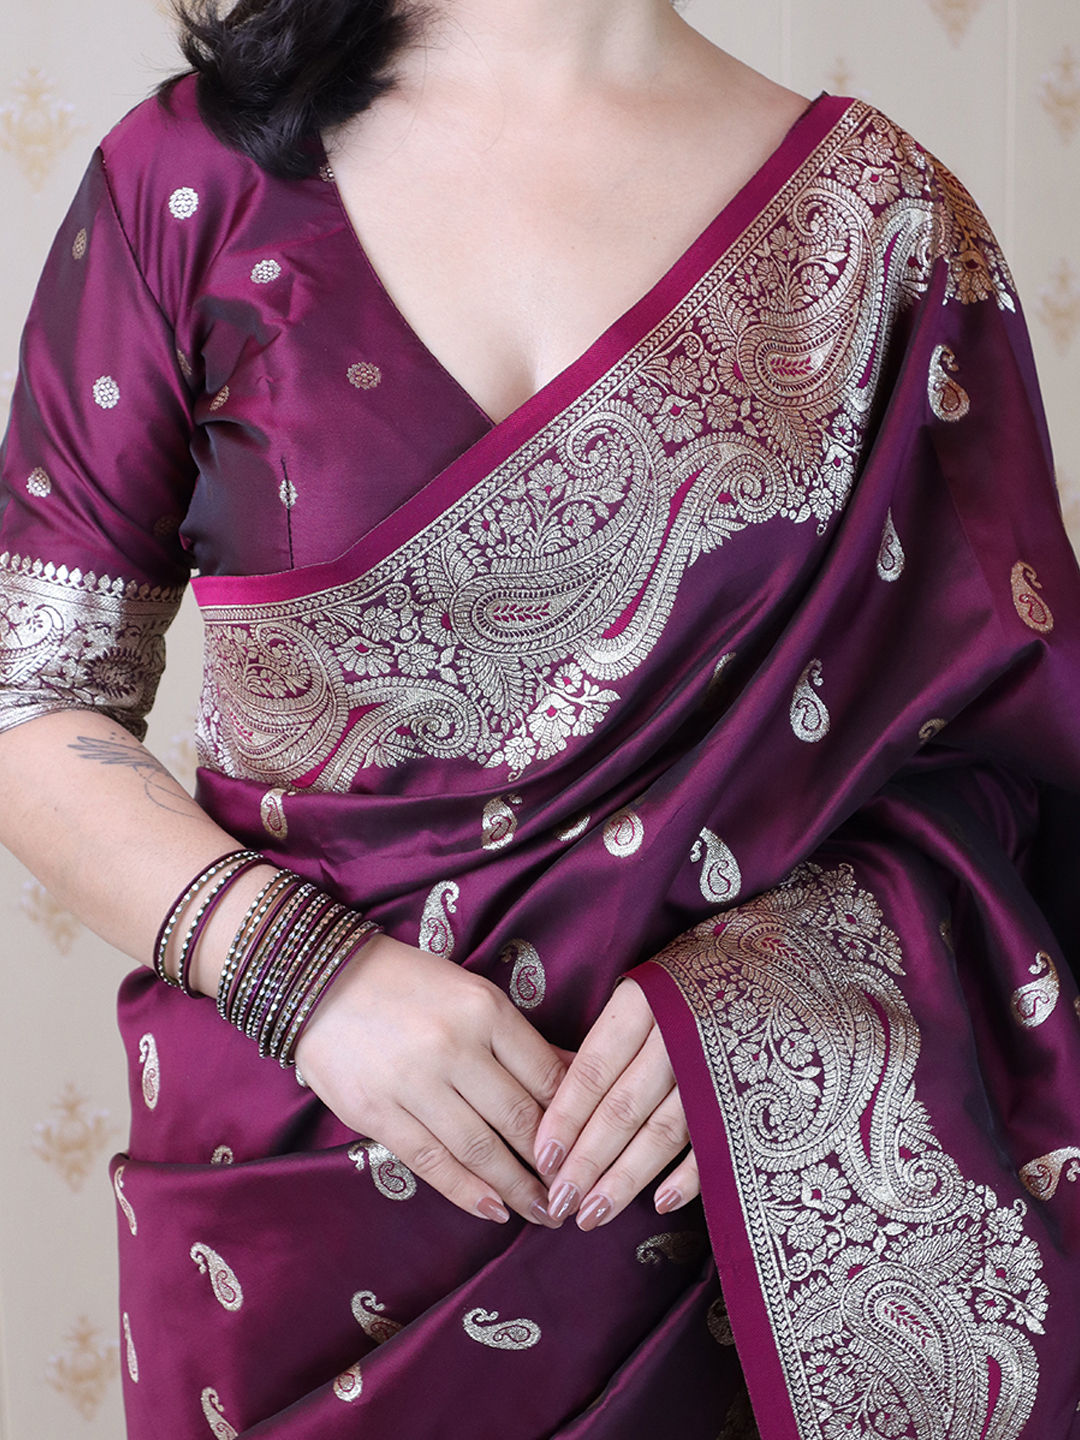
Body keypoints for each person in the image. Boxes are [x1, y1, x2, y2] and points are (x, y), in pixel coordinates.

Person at [1, 0, 1078, 1434]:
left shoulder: (881, 230)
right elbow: (33, 696)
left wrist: (771, 994)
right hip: (287, 1199)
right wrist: (310, 980)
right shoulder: (191, 181)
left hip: (712, 1229)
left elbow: (1011, 773)